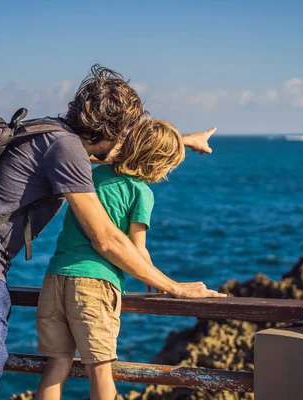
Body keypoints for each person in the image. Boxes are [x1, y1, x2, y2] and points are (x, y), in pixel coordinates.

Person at [0, 64, 222, 400]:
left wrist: (184, 140)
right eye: (126, 132)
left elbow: (124, 158)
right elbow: (106, 237)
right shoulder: (67, 148)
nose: (126, 140)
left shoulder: (48, 131)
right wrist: (173, 287)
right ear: (113, 131)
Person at [34, 118, 225, 400]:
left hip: (56, 277)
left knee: (57, 363)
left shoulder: (92, 176)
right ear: (161, 165)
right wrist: (158, 279)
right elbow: (138, 249)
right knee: (100, 369)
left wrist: (183, 139)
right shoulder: (141, 192)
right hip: (95, 285)